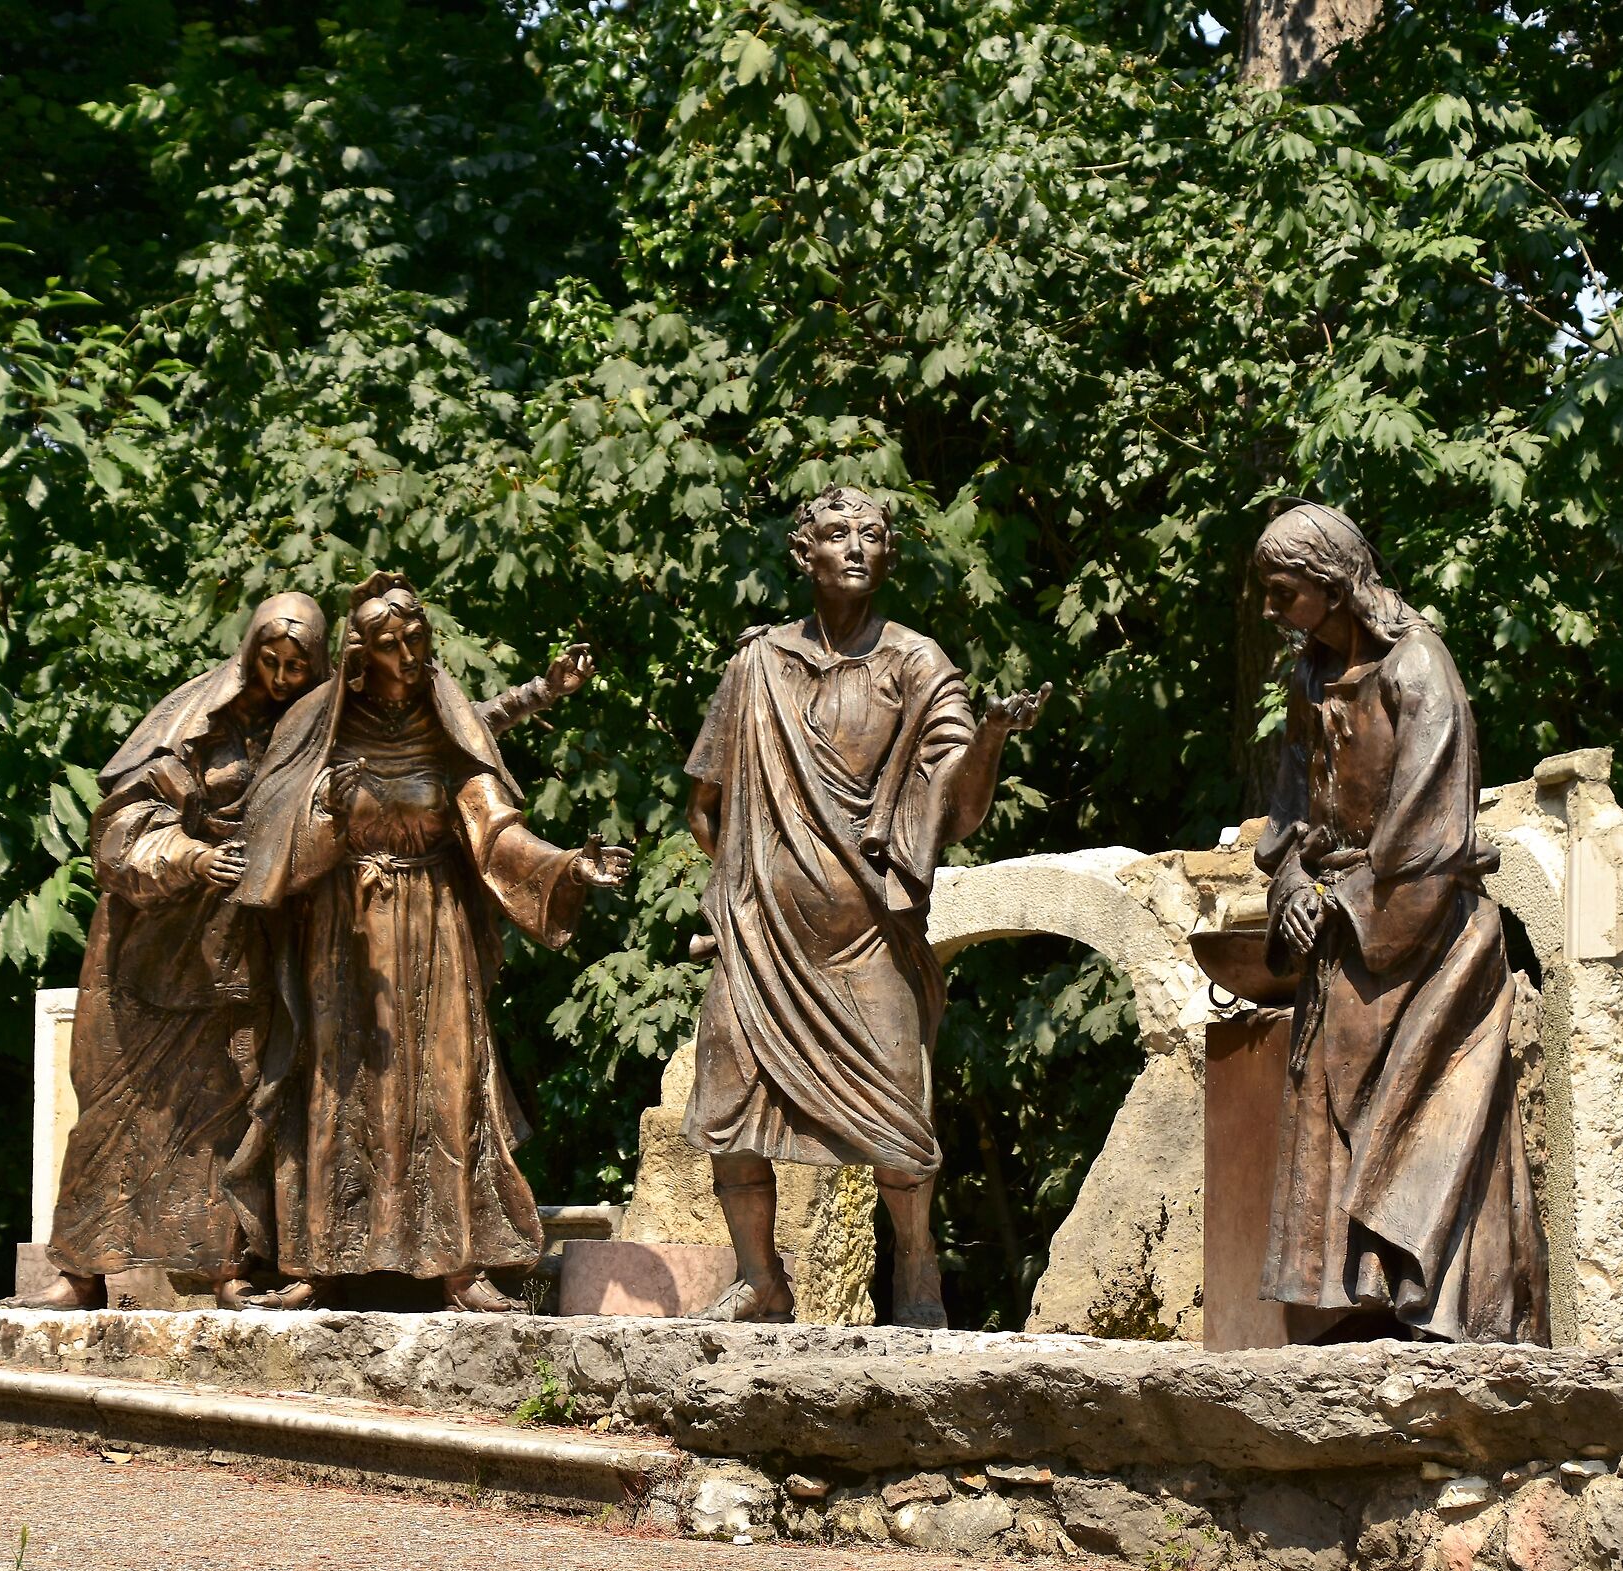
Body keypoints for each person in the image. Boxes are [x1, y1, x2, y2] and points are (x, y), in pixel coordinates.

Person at [683, 487, 1048, 1326]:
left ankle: (918, 1275)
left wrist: (989, 735)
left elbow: (956, 810)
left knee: (899, 1117)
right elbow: (706, 807)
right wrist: (756, 883)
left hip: (867, 939)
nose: (856, 547)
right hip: (761, 939)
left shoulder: (918, 667)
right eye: (837, 534)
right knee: (732, 1111)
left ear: (889, 557)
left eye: (873, 536)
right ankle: (760, 1278)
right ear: (803, 553)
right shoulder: (756, 666)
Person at [229, 573, 630, 1312]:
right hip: (340, 936)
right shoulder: (317, 730)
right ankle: (318, 1263)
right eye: (392, 645)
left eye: (418, 641)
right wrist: (325, 815)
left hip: (435, 924)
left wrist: (566, 865)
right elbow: (274, 847)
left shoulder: (447, 731)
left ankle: (460, 1265)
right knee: (333, 1090)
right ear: (360, 654)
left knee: (448, 1088)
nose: (410, 656)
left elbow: (495, 827)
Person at [1251, 503, 1548, 1344]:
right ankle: (1364, 1305)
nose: (1272, 611)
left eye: (1283, 593)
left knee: (1426, 1121)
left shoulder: (1419, 666)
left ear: (1331, 582)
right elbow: (1282, 824)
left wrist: (1345, 900)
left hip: (1425, 942)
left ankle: (1443, 1310)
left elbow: (1431, 834)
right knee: (1328, 1118)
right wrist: (1295, 883)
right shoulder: (1307, 679)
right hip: (1344, 936)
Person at [14, 591, 327, 1311]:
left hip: (242, 950)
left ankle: (230, 1269)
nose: (281, 678)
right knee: (116, 1111)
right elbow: (122, 830)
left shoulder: (314, 729)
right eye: (270, 661)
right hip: (151, 948)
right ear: (248, 652)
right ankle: (83, 1271)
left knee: (230, 1111)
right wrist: (189, 858)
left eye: (297, 667)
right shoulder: (190, 723)